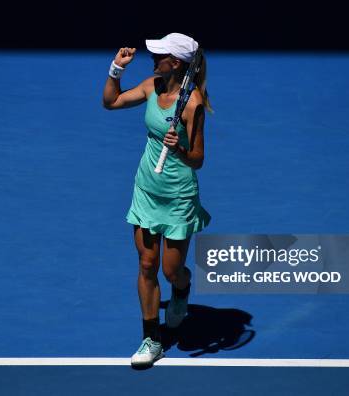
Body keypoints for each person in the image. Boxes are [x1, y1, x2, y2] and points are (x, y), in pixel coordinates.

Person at [102, 33, 212, 367]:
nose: (153, 59)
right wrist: (115, 70)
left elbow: (197, 159)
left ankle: (182, 289)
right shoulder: (152, 85)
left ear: (175, 63)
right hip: (146, 190)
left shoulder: (192, 104)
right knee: (147, 264)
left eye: (159, 55)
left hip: (178, 197)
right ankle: (152, 338)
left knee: (170, 270)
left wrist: (179, 147)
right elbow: (111, 102)